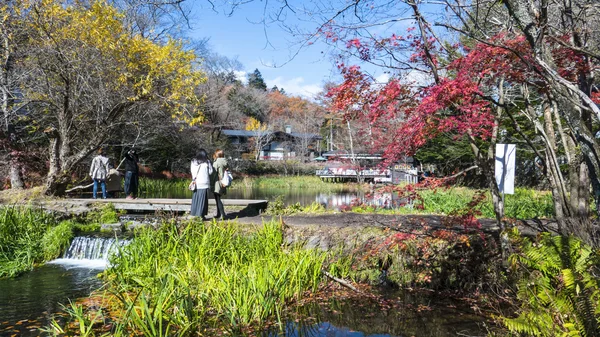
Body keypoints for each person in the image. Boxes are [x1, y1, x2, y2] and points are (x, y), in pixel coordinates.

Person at [190, 149, 213, 220]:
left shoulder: (193, 161)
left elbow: (192, 171)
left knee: (196, 199)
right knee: (203, 200)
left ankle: (195, 213)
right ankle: (201, 215)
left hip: (196, 182)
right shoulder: (207, 161)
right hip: (204, 182)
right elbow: (210, 172)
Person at [212, 149, 229, 220]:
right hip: (223, 182)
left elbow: (213, 172)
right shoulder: (225, 161)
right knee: (218, 198)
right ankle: (219, 214)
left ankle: (222, 214)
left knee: (217, 198)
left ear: (217, 154)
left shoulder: (217, 162)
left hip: (217, 182)